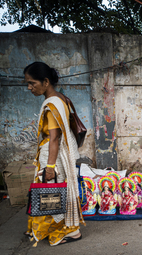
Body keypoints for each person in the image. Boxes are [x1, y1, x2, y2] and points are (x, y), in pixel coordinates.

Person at [24, 62, 85, 246]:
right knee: (58, 193)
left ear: (45, 81)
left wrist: (49, 167)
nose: (29, 87)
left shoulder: (52, 105)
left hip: (54, 158)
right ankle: (63, 228)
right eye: (27, 83)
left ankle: (69, 231)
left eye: (32, 83)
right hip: (60, 156)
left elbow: (54, 139)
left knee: (51, 193)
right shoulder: (60, 98)